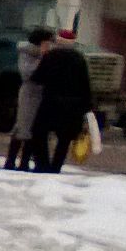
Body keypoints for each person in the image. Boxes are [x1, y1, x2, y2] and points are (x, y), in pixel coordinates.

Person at [29, 29, 93, 173]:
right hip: (73, 106)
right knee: (64, 139)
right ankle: (56, 167)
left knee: (39, 133)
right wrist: (87, 105)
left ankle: (42, 164)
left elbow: (37, 78)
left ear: (59, 41)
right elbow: (85, 84)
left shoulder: (51, 56)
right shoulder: (79, 59)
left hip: (51, 103)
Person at [4, 27, 56, 171]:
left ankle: (24, 162)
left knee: (33, 129)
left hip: (40, 95)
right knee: (23, 128)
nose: (50, 45)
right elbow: (28, 73)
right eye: (48, 42)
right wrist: (43, 61)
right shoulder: (28, 53)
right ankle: (11, 161)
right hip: (29, 95)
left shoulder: (44, 55)